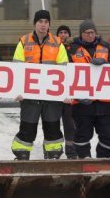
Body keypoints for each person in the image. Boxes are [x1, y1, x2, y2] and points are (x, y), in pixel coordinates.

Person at [11, 10, 69, 160]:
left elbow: (64, 69)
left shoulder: (58, 43)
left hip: (52, 97)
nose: (43, 25)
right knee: (27, 128)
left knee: (53, 128)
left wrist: (65, 93)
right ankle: (21, 155)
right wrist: (17, 90)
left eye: (46, 22)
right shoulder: (24, 41)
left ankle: (53, 154)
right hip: (29, 96)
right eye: (40, 21)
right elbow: (17, 67)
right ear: (35, 23)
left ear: (49, 24)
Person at [68, 20, 110, 158]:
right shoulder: (71, 49)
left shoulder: (105, 46)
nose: (91, 35)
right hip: (82, 103)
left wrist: (106, 63)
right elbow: (65, 74)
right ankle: (85, 160)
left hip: (103, 102)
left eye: (93, 32)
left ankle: (102, 159)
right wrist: (76, 95)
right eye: (87, 33)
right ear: (81, 34)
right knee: (82, 136)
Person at [56, 24, 77, 159]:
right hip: (56, 91)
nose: (63, 35)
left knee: (69, 123)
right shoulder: (54, 47)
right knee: (54, 122)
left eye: (65, 32)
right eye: (60, 33)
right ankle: (55, 149)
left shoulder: (74, 48)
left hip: (69, 91)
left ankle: (70, 149)